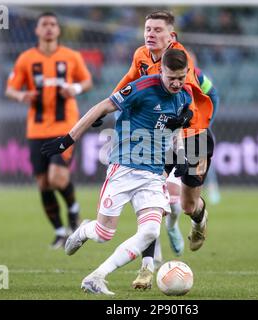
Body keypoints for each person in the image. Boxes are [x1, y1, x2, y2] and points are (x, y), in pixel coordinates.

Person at [40, 49, 194, 295]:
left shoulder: (184, 97)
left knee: (151, 231)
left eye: (181, 77)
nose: (176, 83)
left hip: (154, 175)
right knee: (103, 234)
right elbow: (102, 106)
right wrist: (68, 139)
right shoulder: (142, 87)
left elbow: (175, 131)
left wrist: (182, 155)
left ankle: (96, 276)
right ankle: (84, 230)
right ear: (161, 71)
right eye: (171, 77)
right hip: (124, 167)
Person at [92, 10, 214, 289]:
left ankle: (199, 219)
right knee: (153, 204)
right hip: (160, 137)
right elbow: (127, 82)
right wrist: (107, 105)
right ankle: (147, 268)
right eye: (148, 29)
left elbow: (190, 104)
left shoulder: (181, 60)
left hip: (191, 135)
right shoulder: (141, 55)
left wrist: (186, 139)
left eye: (158, 30)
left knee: (187, 205)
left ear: (172, 36)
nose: (151, 34)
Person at [5, 12, 93, 249]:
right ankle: (59, 231)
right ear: (37, 30)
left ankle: (74, 215)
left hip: (66, 127)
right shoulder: (26, 59)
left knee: (57, 177)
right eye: (44, 24)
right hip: (36, 128)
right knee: (43, 183)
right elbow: (11, 89)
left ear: (58, 30)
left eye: (53, 24)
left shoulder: (71, 57)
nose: (49, 28)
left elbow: (87, 82)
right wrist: (22, 94)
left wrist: (74, 88)